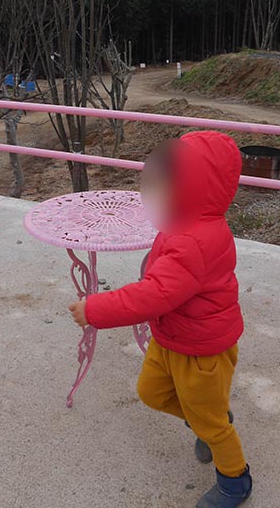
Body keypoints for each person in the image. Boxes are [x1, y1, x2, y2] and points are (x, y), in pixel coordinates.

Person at [68, 131, 252, 508]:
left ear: (195, 188)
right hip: (171, 337)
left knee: (213, 426)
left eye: (165, 182)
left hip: (200, 351)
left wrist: (94, 310)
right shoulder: (184, 225)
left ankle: (236, 481)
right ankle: (208, 418)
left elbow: (155, 294)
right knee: (151, 392)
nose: (155, 190)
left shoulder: (195, 240)